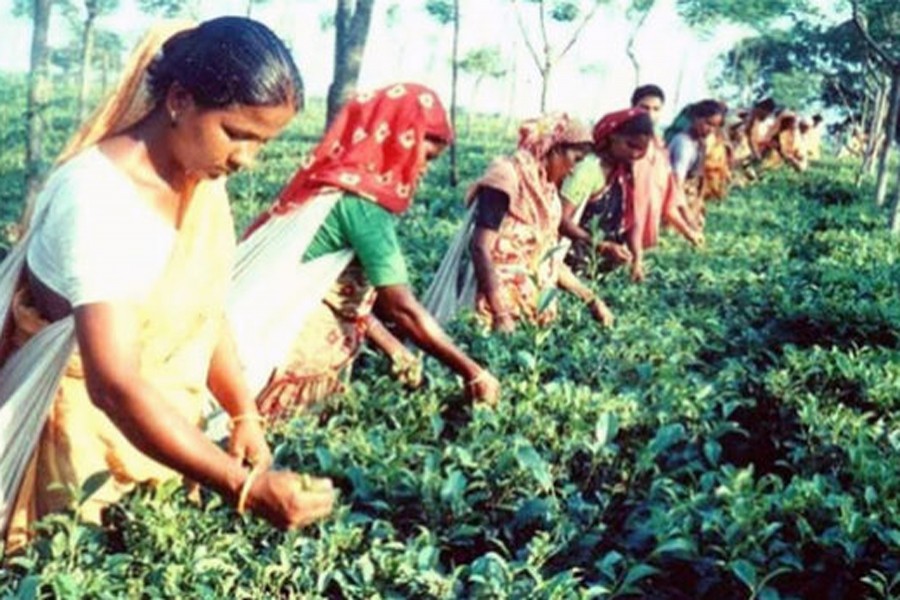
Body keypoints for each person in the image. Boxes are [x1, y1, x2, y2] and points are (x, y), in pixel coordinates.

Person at [1, 18, 335, 554]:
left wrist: (242, 410)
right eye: (237, 134)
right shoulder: (98, 199)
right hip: (81, 449)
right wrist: (241, 485)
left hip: (162, 435)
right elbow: (112, 385)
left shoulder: (196, 180)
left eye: (261, 143)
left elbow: (204, 310)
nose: (246, 159)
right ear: (179, 101)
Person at [244, 83, 500, 421]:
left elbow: (349, 294)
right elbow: (401, 307)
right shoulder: (363, 207)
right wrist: (472, 371)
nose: (424, 168)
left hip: (277, 335)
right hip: (295, 352)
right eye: (425, 156)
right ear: (398, 140)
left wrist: (394, 348)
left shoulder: (335, 185)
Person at [467, 113, 614, 332]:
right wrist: (501, 313)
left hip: (529, 318)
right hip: (491, 312)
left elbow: (547, 260)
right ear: (553, 148)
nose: (573, 170)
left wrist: (592, 300)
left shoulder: (548, 193)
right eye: (576, 159)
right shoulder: (507, 176)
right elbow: (480, 247)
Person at [559, 108, 654, 278]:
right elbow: (561, 220)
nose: (635, 154)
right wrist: (601, 246)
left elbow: (632, 220)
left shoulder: (624, 172)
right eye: (630, 145)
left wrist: (637, 260)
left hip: (600, 262)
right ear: (613, 136)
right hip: (570, 261)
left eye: (641, 149)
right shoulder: (588, 168)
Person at [628, 85, 704, 282]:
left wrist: (689, 233)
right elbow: (633, 206)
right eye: (644, 108)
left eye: (656, 109)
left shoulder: (660, 149)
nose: (650, 114)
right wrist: (637, 259)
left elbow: (667, 203)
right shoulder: (626, 148)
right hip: (616, 240)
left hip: (639, 245)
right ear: (633, 107)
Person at [667, 100, 727, 226]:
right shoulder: (684, 144)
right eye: (708, 123)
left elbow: (700, 176)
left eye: (715, 126)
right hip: (673, 197)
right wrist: (688, 217)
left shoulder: (700, 142)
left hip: (688, 195)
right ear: (695, 118)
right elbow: (676, 184)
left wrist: (697, 204)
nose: (711, 129)